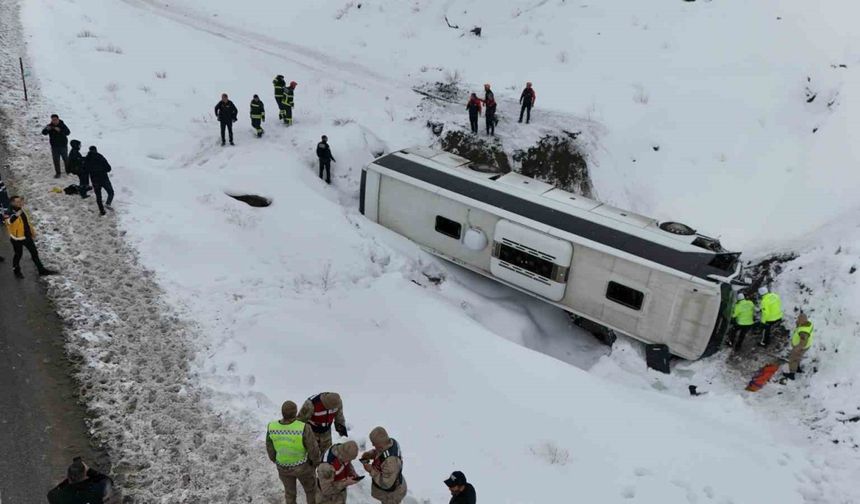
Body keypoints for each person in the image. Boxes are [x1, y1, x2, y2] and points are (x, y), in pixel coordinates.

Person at [266, 400, 320, 504]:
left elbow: (270, 448)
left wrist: (275, 460)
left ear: (282, 413)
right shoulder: (303, 427)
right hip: (303, 468)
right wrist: (315, 463)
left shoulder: (272, 427)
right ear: (295, 412)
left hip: (282, 467)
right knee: (310, 491)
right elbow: (313, 448)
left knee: (290, 493)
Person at [3, 195, 57, 278]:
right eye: (17, 202)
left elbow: (26, 222)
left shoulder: (21, 209)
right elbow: (8, 222)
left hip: (27, 236)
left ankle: (41, 270)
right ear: (12, 203)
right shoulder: (9, 211)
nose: (20, 203)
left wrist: (32, 232)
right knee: (18, 254)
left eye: (20, 201)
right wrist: (16, 215)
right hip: (17, 239)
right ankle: (16, 270)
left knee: (34, 253)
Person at [360, 426, 407, 504]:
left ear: (380, 444)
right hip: (391, 484)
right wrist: (370, 454)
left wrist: (371, 470)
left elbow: (385, 484)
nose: (372, 445)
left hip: (391, 495)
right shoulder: (389, 442)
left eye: (374, 443)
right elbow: (381, 453)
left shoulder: (391, 462)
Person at [297, 392, 347, 460]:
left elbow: (339, 417)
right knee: (311, 455)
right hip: (312, 432)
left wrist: (342, 432)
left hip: (326, 433)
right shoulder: (311, 404)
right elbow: (300, 421)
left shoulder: (337, 402)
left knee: (327, 455)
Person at [47, 457, 115, 504]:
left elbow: (51, 493)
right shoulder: (95, 490)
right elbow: (108, 481)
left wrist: (69, 479)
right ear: (85, 476)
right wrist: (89, 471)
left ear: (68, 476)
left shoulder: (54, 496)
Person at [85, 146, 114, 216]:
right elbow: (109, 168)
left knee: (98, 196)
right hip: (104, 178)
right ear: (96, 150)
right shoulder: (100, 157)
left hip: (95, 180)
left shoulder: (87, 159)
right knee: (111, 192)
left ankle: (102, 211)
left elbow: (85, 169)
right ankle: (108, 203)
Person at [784, 313, 814, 381]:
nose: (797, 320)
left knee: (793, 359)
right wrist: (798, 324)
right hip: (806, 346)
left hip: (800, 347)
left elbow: (803, 343)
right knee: (798, 357)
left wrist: (796, 349)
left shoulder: (803, 332)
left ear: (802, 321)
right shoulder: (809, 324)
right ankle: (797, 368)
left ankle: (791, 374)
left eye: (799, 319)